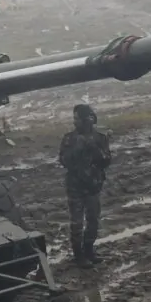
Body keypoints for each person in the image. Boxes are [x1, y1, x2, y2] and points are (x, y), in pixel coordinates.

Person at [58, 104, 111, 267]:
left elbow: (107, 161)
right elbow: (64, 161)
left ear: (87, 119)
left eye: (77, 118)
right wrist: (78, 148)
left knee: (93, 220)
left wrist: (96, 149)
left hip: (93, 186)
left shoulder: (100, 138)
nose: (75, 122)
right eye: (74, 118)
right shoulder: (69, 139)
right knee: (77, 223)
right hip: (75, 187)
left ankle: (89, 250)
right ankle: (78, 255)